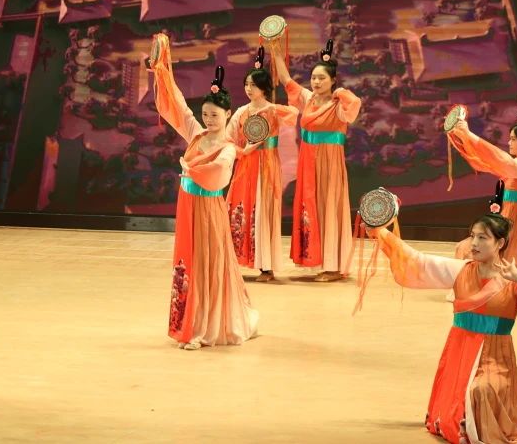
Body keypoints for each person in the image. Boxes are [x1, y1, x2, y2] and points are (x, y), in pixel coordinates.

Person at [371, 213, 517, 444]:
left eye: (482, 238)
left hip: (496, 357)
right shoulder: (460, 270)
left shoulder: (512, 279)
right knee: (469, 398)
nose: (474, 243)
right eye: (473, 236)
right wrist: (380, 232)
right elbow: (418, 262)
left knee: (481, 390)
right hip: (460, 353)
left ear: (500, 243)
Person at [150, 39, 259, 349]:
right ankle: (190, 323)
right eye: (206, 114)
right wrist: (162, 69)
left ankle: (202, 328)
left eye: (215, 115)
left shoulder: (228, 148)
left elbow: (218, 174)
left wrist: (190, 168)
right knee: (188, 261)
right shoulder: (196, 135)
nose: (209, 120)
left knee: (205, 264)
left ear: (227, 115)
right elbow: (177, 106)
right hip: (188, 207)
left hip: (209, 211)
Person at [268, 38, 362, 281]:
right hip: (308, 160)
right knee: (311, 206)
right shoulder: (308, 99)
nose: (316, 82)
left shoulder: (338, 105)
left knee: (328, 207)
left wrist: (340, 92)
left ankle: (333, 267)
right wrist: (275, 52)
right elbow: (286, 80)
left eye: (322, 78)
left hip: (329, 163)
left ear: (333, 80)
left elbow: (355, 105)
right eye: (314, 78)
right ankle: (319, 260)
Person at [446, 99, 517, 281]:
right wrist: (464, 137)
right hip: (504, 219)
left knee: (495, 258)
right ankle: (470, 284)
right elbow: (486, 161)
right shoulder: (515, 166)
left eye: (513, 139)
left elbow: (501, 159)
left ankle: (479, 285)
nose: (509, 142)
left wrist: (469, 135)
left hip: (513, 223)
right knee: (465, 248)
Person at [223, 48, 297, 282]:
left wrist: (272, 108)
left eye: (253, 85)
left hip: (267, 166)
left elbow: (294, 113)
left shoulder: (273, 111)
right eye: (246, 84)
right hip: (246, 166)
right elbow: (227, 139)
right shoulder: (241, 112)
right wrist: (242, 151)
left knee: (264, 212)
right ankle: (236, 262)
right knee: (241, 210)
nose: (248, 88)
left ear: (264, 88)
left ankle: (267, 267)